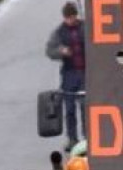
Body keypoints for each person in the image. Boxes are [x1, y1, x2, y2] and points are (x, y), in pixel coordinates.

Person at [45, 2, 86, 150]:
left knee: (85, 106)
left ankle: (88, 138)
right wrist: (60, 51)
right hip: (69, 73)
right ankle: (72, 139)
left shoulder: (86, 28)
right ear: (64, 17)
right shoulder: (59, 32)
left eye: (73, 16)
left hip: (86, 72)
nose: (72, 19)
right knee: (69, 109)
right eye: (69, 17)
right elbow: (50, 50)